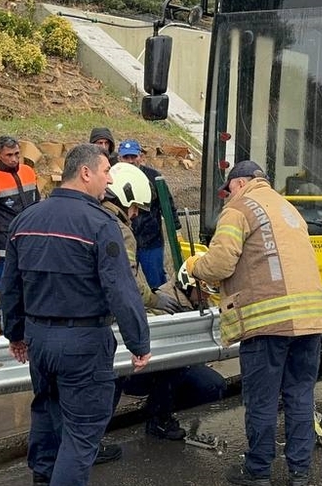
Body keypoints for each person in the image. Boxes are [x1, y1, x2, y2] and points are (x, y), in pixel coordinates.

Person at [0, 144, 152, 486]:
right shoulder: (100, 224)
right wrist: (139, 341)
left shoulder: (26, 219)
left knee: (47, 414)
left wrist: (15, 333)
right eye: (104, 172)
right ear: (85, 173)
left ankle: (42, 478)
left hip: (40, 339)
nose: (108, 179)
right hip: (84, 342)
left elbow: (10, 286)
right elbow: (121, 289)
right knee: (82, 435)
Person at [183, 161, 322, 486]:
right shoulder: (287, 208)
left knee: (261, 399)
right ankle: (300, 473)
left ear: (240, 183)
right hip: (310, 319)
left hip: (268, 322)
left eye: (228, 189)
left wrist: (193, 266)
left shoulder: (239, 208)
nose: (227, 196)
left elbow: (219, 264)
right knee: (300, 396)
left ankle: (258, 471)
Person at [100, 162, 223, 443]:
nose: (134, 216)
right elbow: (126, 285)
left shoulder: (88, 217)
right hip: (114, 334)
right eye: (134, 209)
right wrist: (154, 299)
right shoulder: (115, 228)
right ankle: (144, 424)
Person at [0, 136, 42, 331]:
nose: (14, 159)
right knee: (7, 291)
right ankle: (5, 332)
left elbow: (38, 206)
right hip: (5, 247)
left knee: (33, 289)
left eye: (16, 154)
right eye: (9, 155)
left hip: (32, 244)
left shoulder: (29, 172)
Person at [117, 138, 179, 290]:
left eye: (133, 157)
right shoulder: (113, 177)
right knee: (124, 281)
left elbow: (168, 204)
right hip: (124, 240)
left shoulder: (154, 177)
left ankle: (164, 309)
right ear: (119, 158)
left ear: (141, 157)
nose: (130, 161)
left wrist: (176, 228)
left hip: (151, 240)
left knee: (157, 281)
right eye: (126, 157)